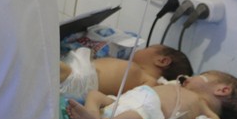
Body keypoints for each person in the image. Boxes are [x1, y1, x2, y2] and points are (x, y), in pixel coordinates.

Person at [65, 70, 237, 119]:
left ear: (222, 90)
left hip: (148, 117)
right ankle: (92, 116)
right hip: (124, 100)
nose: (188, 77)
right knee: (94, 94)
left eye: (201, 75)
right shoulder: (175, 86)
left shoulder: (207, 112)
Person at [59, 44, 192, 100]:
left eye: (147, 47)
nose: (140, 49)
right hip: (79, 71)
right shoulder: (137, 71)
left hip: (80, 81)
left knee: (48, 65)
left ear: (162, 61)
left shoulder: (150, 82)